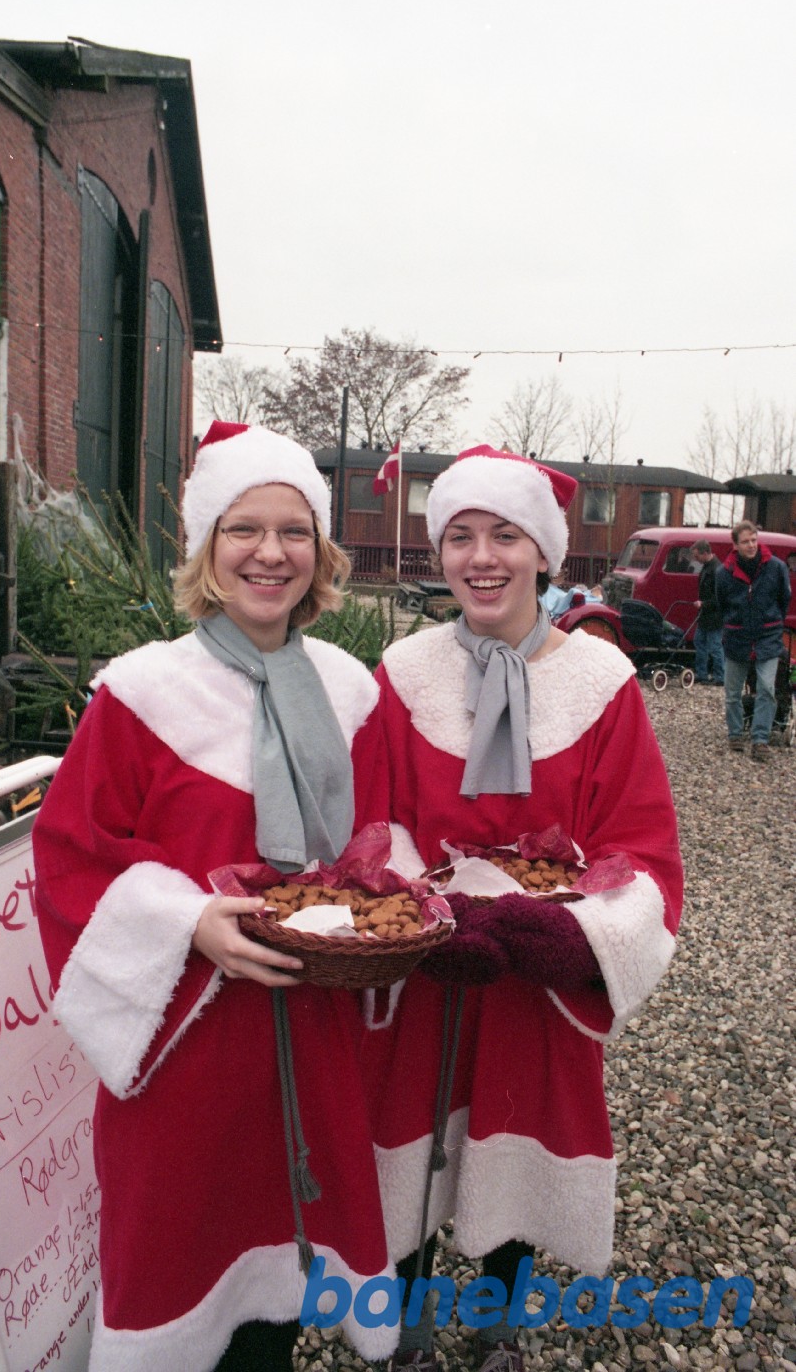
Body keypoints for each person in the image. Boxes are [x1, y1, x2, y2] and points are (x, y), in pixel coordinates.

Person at [32, 422, 396, 1372]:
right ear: (205, 545)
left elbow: (377, 840)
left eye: (292, 531)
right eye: (244, 528)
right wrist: (189, 919)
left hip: (311, 1030)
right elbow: (70, 856)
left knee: (283, 1282)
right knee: (180, 1270)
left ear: (319, 552)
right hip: (185, 1043)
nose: (269, 553)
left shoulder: (352, 693)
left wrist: (366, 897)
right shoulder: (142, 693)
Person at [365, 445, 683, 1372]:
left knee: (518, 1137)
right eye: (460, 536)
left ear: (544, 553)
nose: (481, 557)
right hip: (428, 957)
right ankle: (409, 1328)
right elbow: (373, 817)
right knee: (412, 1141)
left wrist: (561, 929)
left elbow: (640, 846)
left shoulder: (601, 683)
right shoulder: (404, 670)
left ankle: (500, 1328)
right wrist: (417, 902)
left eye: (504, 534)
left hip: (534, 971)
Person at [715, 519, 790, 761]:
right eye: (746, 541)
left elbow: (784, 599)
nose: (751, 545)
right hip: (737, 637)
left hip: (768, 636)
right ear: (735, 545)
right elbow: (721, 603)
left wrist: (772, 620)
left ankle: (760, 739)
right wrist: (734, 622)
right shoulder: (723, 573)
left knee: (767, 688)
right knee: (733, 691)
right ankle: (735, 733)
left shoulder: (776, 568)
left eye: (754, 540)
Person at [691, 539, 725, 684]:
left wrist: (703, 604)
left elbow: (720, 598)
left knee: (714, 646)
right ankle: (702, 674)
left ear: (705, 553)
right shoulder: (709, 567)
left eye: (697, 556)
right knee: (700, 642)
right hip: (706, 615)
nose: (695, 559)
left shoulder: (716, 570)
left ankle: (720, 677)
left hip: (714, 616)